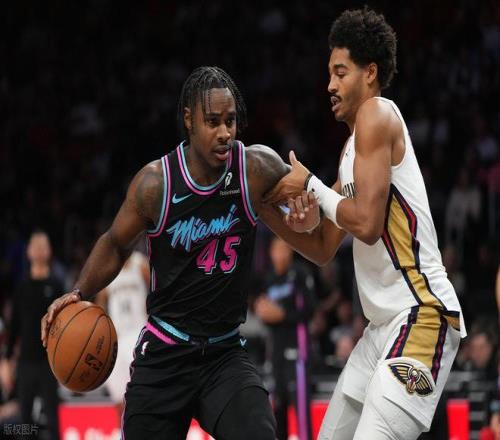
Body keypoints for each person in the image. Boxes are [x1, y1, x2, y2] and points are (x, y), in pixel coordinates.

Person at [41, 66, 292, 440]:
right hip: (164, 355)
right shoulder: (156, 183)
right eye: (213, 121)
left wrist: (310, 207)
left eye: (230, 121)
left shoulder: (253, 169)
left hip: (223, 353)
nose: (225, 132)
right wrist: (79, 292)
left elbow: (306, 200)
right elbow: (115, 243)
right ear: (189, 120)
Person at [262, 7, 467, 439]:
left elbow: (368, 224)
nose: (330, 85)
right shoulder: (350, 151)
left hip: (421, 314)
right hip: (380, 330)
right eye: (329, 74)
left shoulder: (378, 114)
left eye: (340, 73)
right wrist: (263, 208)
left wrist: (312, 186)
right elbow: (322, 247)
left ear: (370, 73)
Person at [3, 230, 62, 440]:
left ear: (49, 251)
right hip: (26, 362)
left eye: (42, 245)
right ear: (28, 251)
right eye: (34, 245)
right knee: (25, 422)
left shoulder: (56, 286)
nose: (38, 249)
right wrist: (7, 360)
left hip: (49, 363)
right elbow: (14, 327)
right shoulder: (21, 287)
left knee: (53, 421)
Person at [254, 236, 315, 440]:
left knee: (301, 411)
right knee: (277, 411)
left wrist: (282, 315)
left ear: (291, 252)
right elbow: (263, 311)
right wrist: (262, 312)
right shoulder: (269, 279)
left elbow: (309, 309)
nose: (280, 254)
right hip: (275, 353)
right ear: (270, 253)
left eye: (284, 249)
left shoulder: (299, 273)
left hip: (297, 353)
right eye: (276, 250)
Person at [95, 250, 149, 417]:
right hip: (117, 341)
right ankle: (123, 430)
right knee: (120, 400)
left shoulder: (140, 263)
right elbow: (100, 305)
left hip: (140, 336)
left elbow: (157, 290)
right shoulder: (108, 268)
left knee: (143, 396)